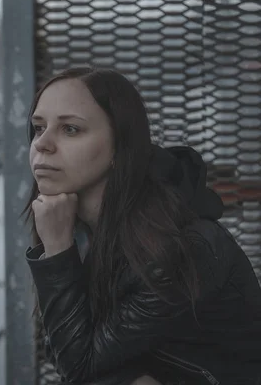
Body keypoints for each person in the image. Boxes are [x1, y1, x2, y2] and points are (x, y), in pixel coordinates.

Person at [23, 66, 261, 385]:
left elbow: (77, 367)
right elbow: (62, 347)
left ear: (119, 148)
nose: (43, 144)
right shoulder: (80, 223)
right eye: (39, 128)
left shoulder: (174, 247)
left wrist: (56, 253)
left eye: (70, 129)